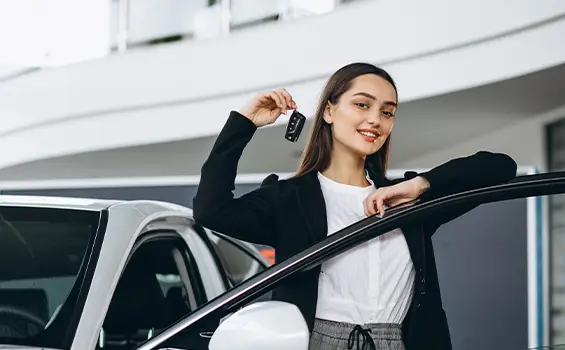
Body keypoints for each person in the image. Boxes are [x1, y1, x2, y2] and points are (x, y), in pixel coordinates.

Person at [193, 62, 517, 350]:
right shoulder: (289, 198)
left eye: (387, 112)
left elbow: (501, 166)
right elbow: (211, 210)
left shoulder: (404, 197)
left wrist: (421, 183)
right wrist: (243, 123)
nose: (375, 120)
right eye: (362, 105)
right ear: (329, 111)